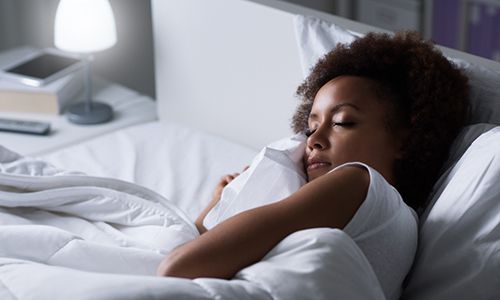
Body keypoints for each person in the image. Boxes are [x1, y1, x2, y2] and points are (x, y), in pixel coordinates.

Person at [156, 31, 469, 299]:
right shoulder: (401, 222)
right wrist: (217, 201)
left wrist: (221, 209)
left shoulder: (356, 182)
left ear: (405, 139)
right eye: (310, 127)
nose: (313, 140)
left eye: (342, 122)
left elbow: (178, 265)